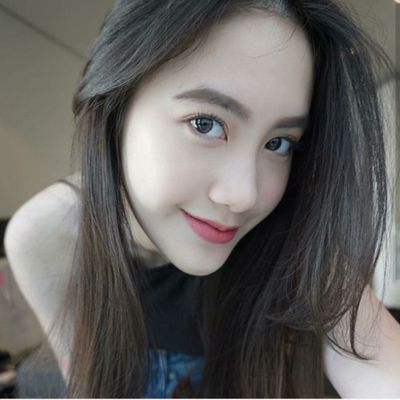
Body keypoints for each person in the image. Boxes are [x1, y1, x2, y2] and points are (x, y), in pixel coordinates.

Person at [4, 0, 400, 397]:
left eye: (279, 143)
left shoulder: (292, 233)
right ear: (116, 108)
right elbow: (89, 383)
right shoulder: (46, 235)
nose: (244, 195)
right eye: (205, 124)